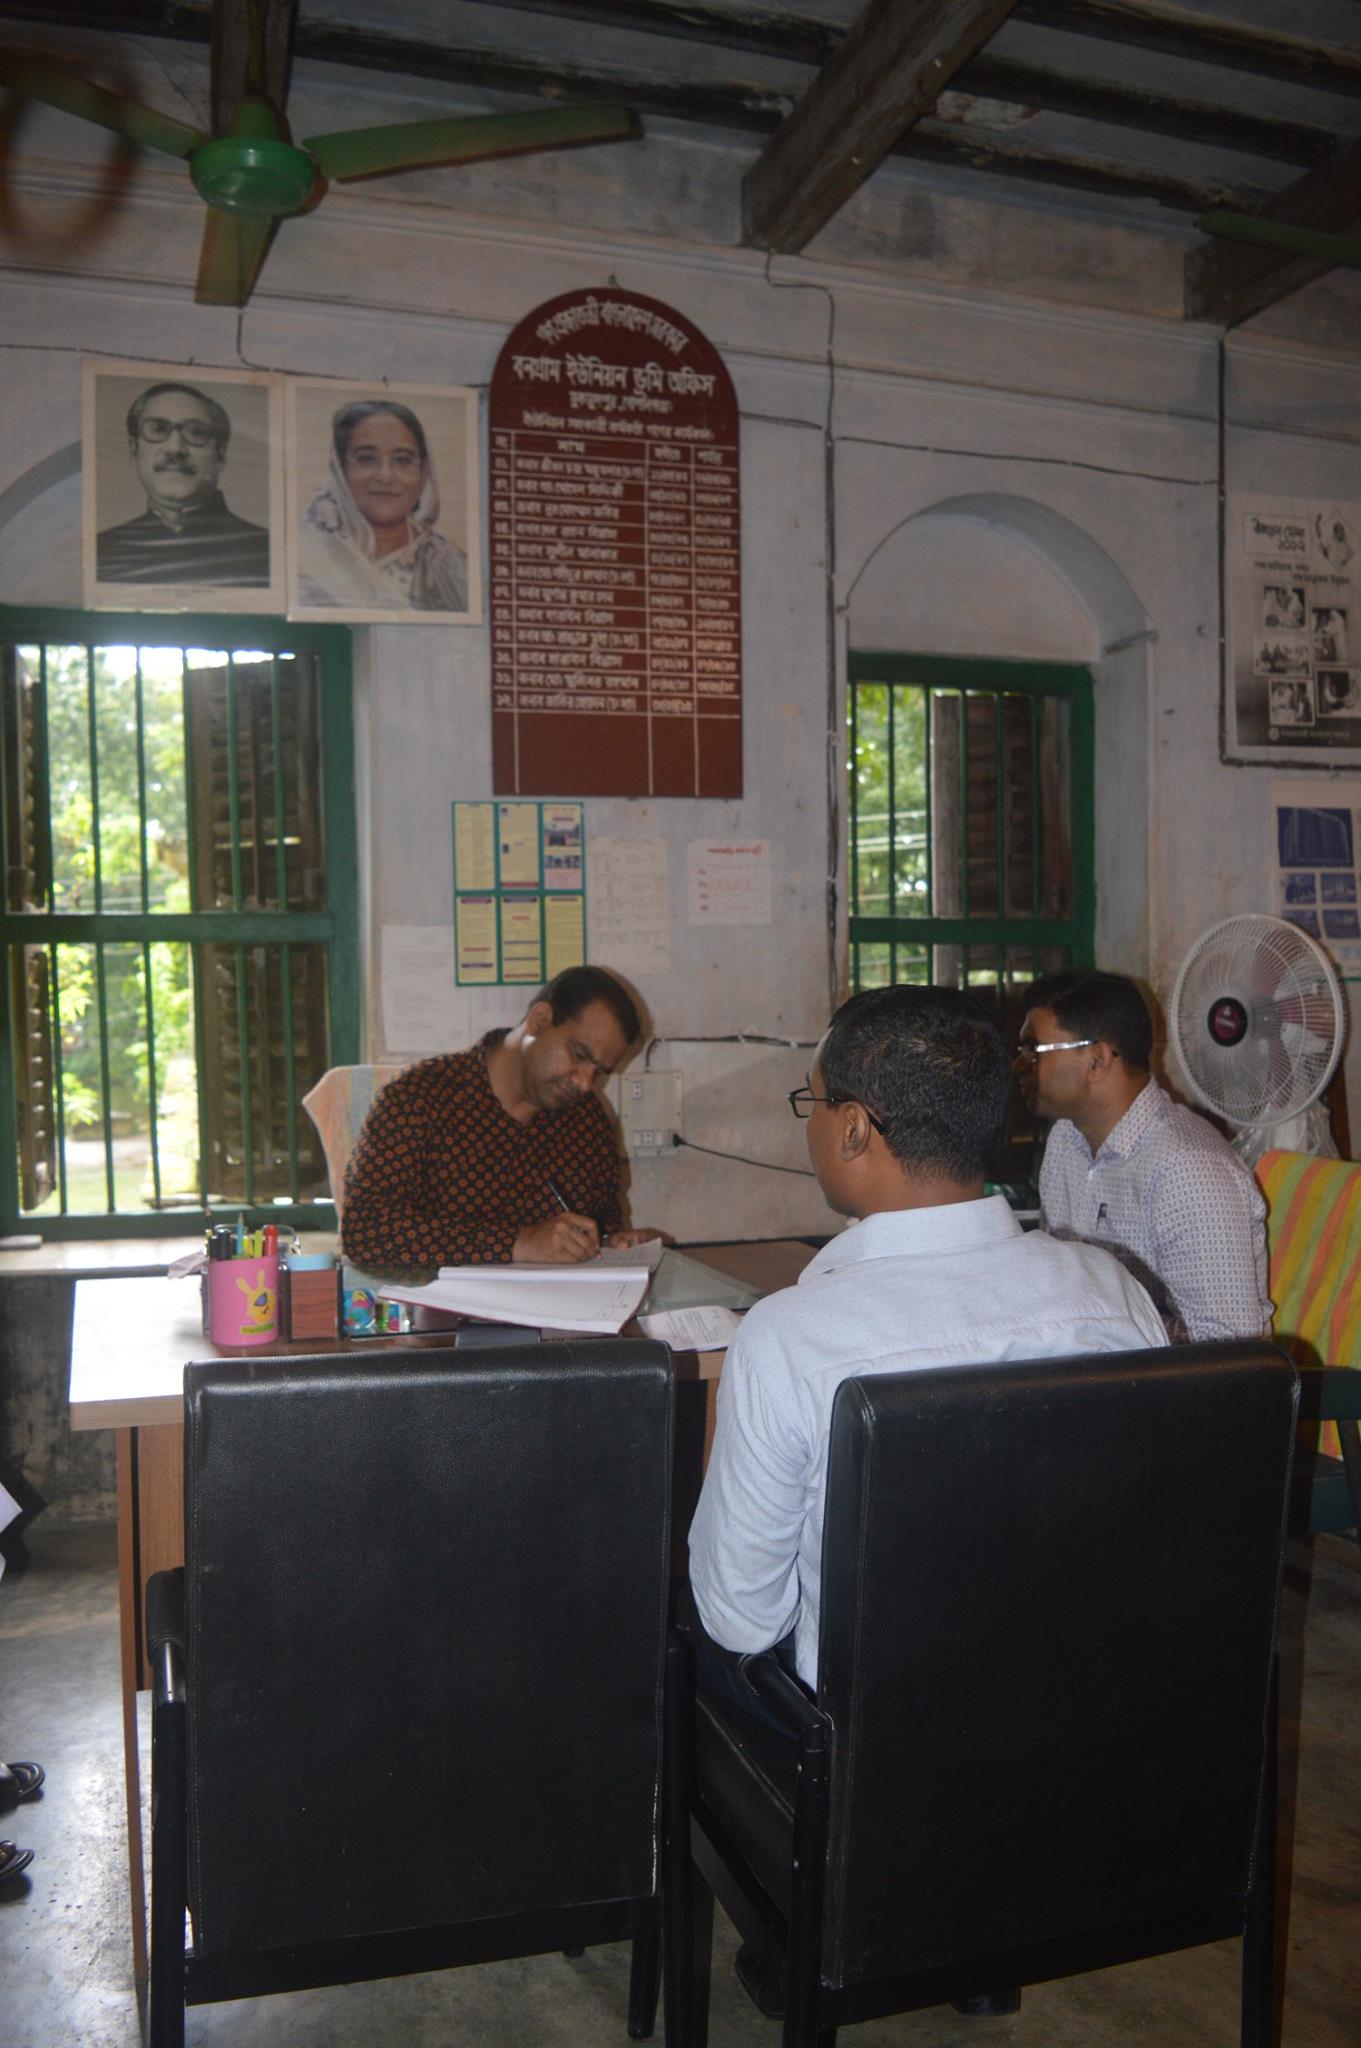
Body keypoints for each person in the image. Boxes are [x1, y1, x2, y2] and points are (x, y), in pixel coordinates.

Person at [688, 984, 1166, 1698]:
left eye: (814, 1102)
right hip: (1093, 1702)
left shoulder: (786, 1339)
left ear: (853, 1128)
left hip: (877, 1739)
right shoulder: (1112, 1292)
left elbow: (741, 1619)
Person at [341, 964, 656, 1272]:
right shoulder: (418, 1099)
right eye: (580, 1055)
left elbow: (602, 1223)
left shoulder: (585, 1120)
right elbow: (366, 1232)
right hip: (441, 1304)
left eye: (599, 1072)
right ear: (540, 1021)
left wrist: (614, 1243)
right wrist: (518, 1243)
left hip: (558, 1303)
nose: (585, 1083)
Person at [1018, 968, 1271, 1343]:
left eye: (1033, 1051)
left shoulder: (1187, 1169)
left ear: (1098, 1060)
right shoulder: (1065, 1142)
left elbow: (1228, 1350)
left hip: (1177, 1379)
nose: (1019, 1065)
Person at [296, 398, 469, 612]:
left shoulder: (450, 565)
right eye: (367, 459)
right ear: (340, 470)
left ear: (424, 472)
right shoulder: (304, 556)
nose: (385, 476)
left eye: (403, 461)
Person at [96, 381, 270, 586]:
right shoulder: (102, 551)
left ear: (220, 456)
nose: (175, 448)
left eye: (196, 432)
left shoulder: (266, 552)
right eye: (158, 429)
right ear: (134, 449)